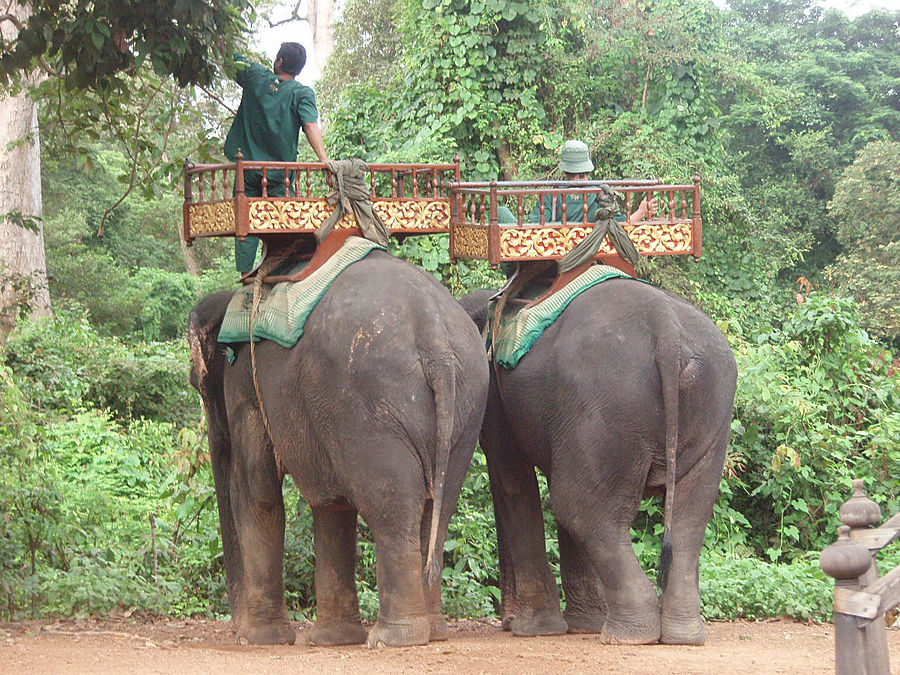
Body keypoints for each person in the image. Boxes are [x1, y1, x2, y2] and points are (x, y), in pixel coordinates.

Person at [224, 42, 329, 273]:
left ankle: (246, 276)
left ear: (279, 61)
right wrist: (324, 161)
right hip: (281, 176)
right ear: (298, 69)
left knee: (246, 223)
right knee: (282, 222)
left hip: (248, 172)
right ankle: (276, 270)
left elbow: (227, 55)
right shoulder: (302, 93)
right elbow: (310, 125)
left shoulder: (256, 76)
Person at [528, 140, 656, 224]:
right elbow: (621, 225)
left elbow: (534, 227)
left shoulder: (552, 194)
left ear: (565, 171)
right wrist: (641, 212)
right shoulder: (598, 193)